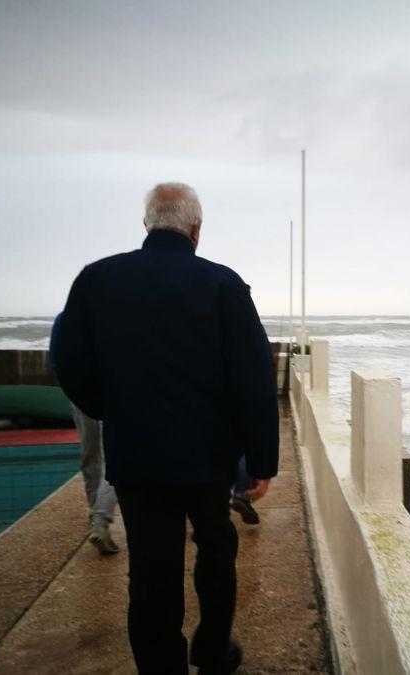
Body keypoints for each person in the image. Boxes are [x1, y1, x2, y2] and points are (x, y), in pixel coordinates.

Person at [54, 182, 279, 675]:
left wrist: (111, 407)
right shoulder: (223, 284)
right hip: (208, 459)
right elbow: (255, 379)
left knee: (152, 569)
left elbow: (67, 361)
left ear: (147, 223)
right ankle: (213, 651)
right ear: (196, 228)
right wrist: (261, 461)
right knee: (216, 548)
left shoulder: (96, 280)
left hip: (137, 456)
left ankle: (162, 666)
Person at [48, 313, 120, 554]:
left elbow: (55, 362)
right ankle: (101, 522)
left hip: (80, 396)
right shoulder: (117, 316)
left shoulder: (65, 318)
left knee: (90, 456)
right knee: (113, 458)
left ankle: (94, 514)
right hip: (113, 394)